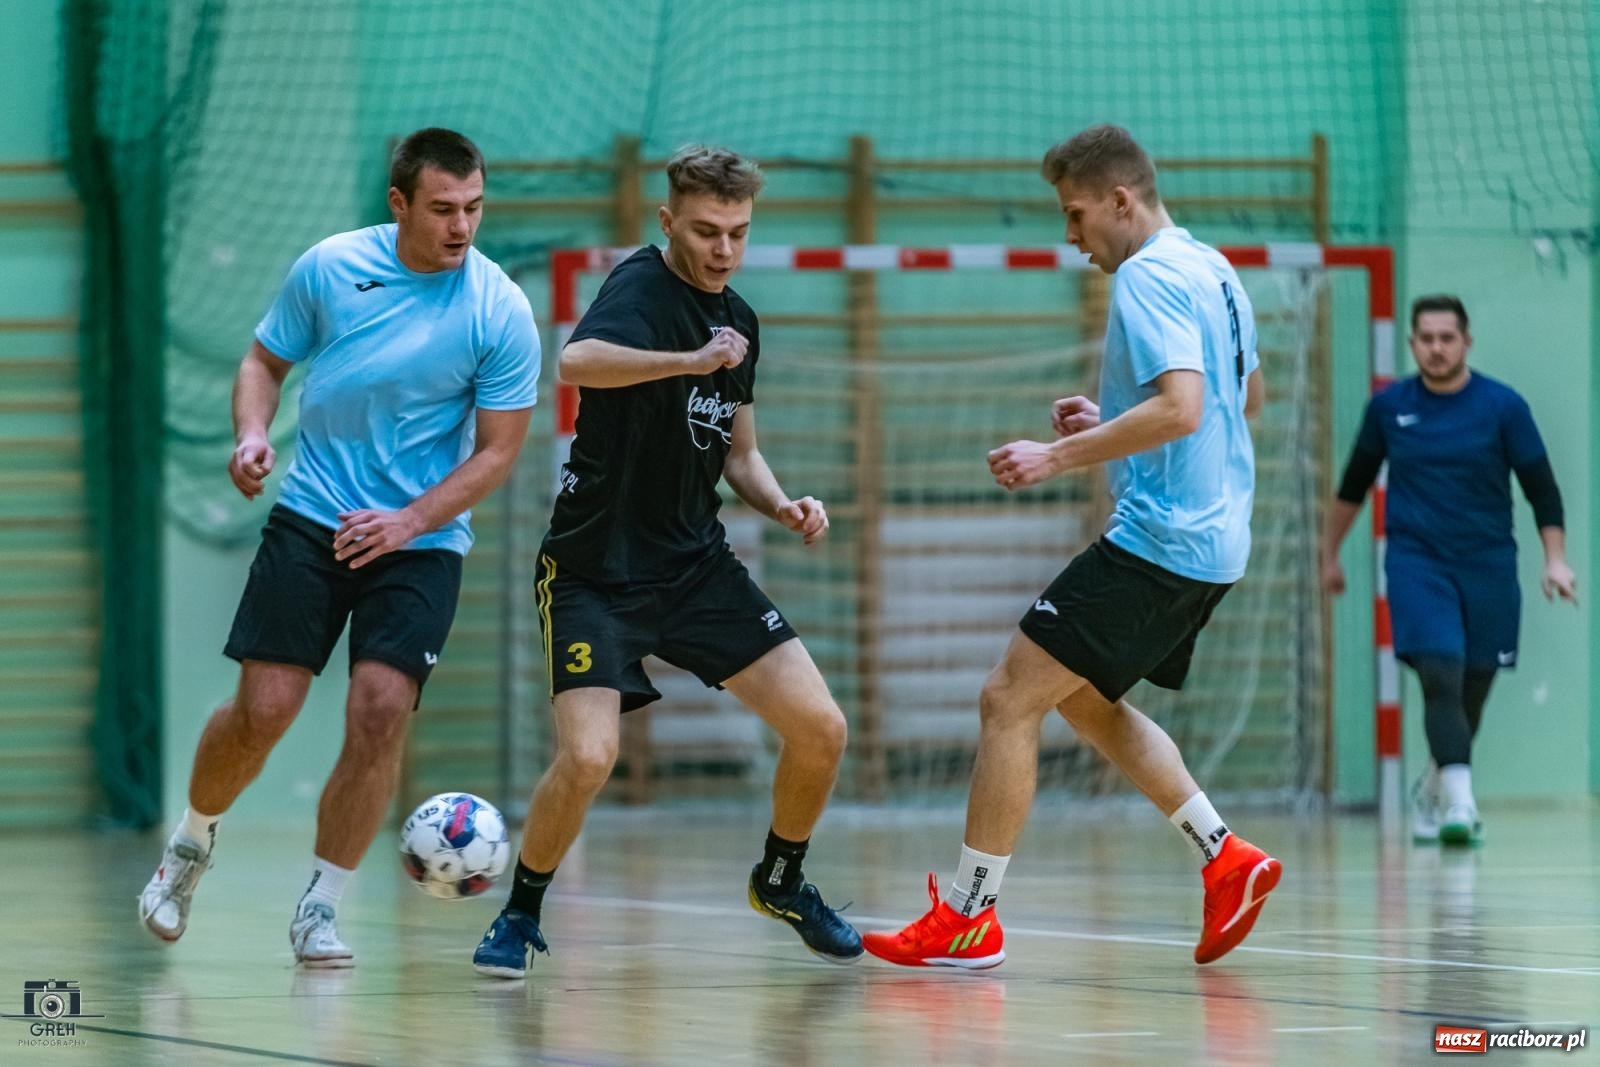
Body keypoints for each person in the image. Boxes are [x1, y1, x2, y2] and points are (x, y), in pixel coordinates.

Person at [863, 124, 1281, 970]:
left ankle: (972, 915)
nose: (1070, 235)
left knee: (1005, 698)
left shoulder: (1147, 276)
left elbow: (1184, 409)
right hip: (1216, 540)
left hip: (1159, 540)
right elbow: (1249, 400)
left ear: (1121, 201)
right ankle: (1225, 856)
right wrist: (1112, 422)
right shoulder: (1214, 268)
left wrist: (1056, 454)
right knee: (1083, 700)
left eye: (1076, 213)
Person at [138, 128, 540, 966]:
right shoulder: (330, 267)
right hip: (313, 517)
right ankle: (190, 844)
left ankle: (321, 905)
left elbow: (499, 450)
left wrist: (409, 522)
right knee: (266, 712)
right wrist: (251, 434)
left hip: (420, 539)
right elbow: (263, 359)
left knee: (381, 710)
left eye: (472, 207)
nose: (461, 226)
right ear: (398, 204)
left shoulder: (499, 307)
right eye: (441, 209)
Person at [471, 145, 861, 979]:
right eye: (707, 230)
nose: (723, 248)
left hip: (694, 568)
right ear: (668, 221)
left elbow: (739, 454)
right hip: (591, 570)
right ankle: (519, 912)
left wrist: (785, 501)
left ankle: (781, 879)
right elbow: (576, 363)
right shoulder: (640, 286)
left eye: (739, 232)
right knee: (588, 757)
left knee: (822, 728)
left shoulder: (743, 323)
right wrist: (686, 360)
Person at [1321, 294, 1576, 845]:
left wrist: (1555, 560)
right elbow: (1353, 485)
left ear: (1466, 342)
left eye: (1447, 338)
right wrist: (1329, 552)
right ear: (1411, 343)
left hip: (1488, 565)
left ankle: (1437, 784)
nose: (1436, 348)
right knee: (1440, 674)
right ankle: (1462, 806)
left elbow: (1542, 489)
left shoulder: (1503, 406)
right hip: (1418, 564)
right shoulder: (1389, 409)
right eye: (1426, 338)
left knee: (1473, 687)